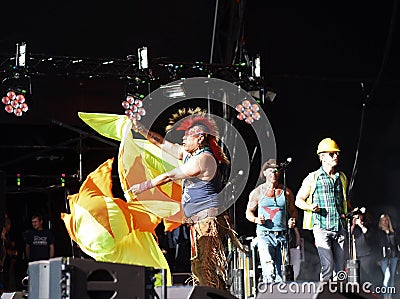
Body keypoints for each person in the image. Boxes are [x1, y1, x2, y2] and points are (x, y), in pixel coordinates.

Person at [127, 107, 245, 290]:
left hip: (209, 222)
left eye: (188, 135)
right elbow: (162, 144)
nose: (183, 139)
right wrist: (141, 129)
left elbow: (170, 176)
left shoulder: (203, 159)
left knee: (204, 269)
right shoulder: (190, 154)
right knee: (201, 269)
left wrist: (142, 186)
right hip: (199, 223)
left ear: (199, 138)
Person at [295, 137, 351, 281]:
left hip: (340, 228)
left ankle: (340, 295)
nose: (335, 156)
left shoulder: (342, 177)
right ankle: (324, 294)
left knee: (341, 270)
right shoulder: (313, 177)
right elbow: (298, 200)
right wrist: (309, 207)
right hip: (322, 227)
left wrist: (349, 212)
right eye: (332, 154)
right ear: (322, 157)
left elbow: (343, 201)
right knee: (328, 266)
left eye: (337, 154)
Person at [245, 159, 298, 283]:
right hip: (265, 235)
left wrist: (293, 220)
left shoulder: (286, 192)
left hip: (282, 235)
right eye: (271, 171)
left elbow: (293, 211)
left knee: (282, 272)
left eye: (276, 171)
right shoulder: (258, 192)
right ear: (264, 173)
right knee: (268, 269)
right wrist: (256, 219)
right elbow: (248, 212)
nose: (274, 173)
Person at [350, 211, 379, 285]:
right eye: (356, 216)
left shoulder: (368, 225)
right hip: (356, 256)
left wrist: (360, 225)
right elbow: (349, 236)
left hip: (367, 255)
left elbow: (369, 235)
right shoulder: (353, 227)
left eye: (359, 216)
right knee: (357, 278)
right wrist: (353, 225)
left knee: (368, 277)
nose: (357, 218)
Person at [377, 213, 399, 299]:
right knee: (387, 276)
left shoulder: (393, 232)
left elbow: (396, 245)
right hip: (383, 257)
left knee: (392, 277)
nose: (385, 222)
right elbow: (377, 246)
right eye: (383, 220)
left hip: (393, 256)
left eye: (386, 220)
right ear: (380, 222)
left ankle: (389, 297)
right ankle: (385, 296)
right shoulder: (379, 232)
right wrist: (378, 258)